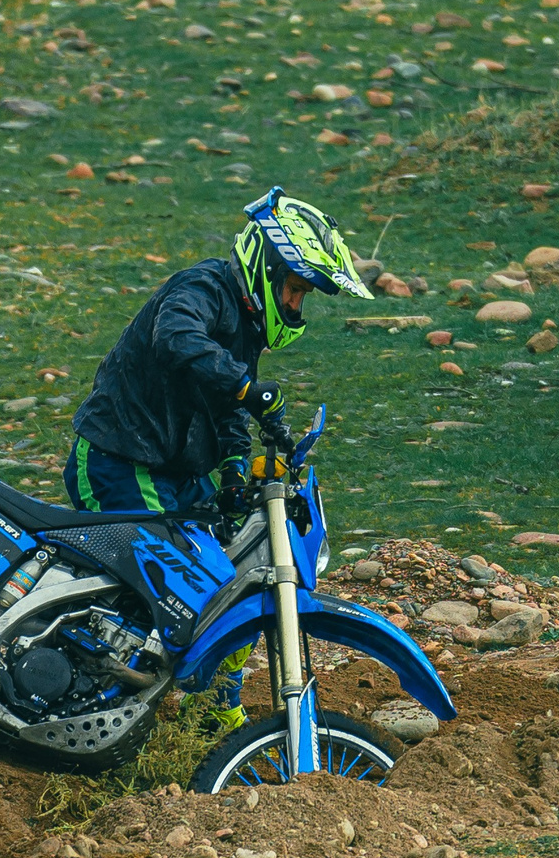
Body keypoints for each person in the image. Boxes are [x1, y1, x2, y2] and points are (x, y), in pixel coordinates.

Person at [64, 187, 372, 727]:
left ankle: (207, 711)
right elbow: (176, 337)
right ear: (266, 267)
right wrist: (249, 390)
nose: (297, 306)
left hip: (175, 474)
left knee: (229, 581)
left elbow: (227, 410)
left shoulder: (247, 327)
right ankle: (99, 701)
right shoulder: (203, 287)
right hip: (121, 459)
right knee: (175, 585)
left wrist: (234, 470)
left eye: (303, 297)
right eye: (296, 290)